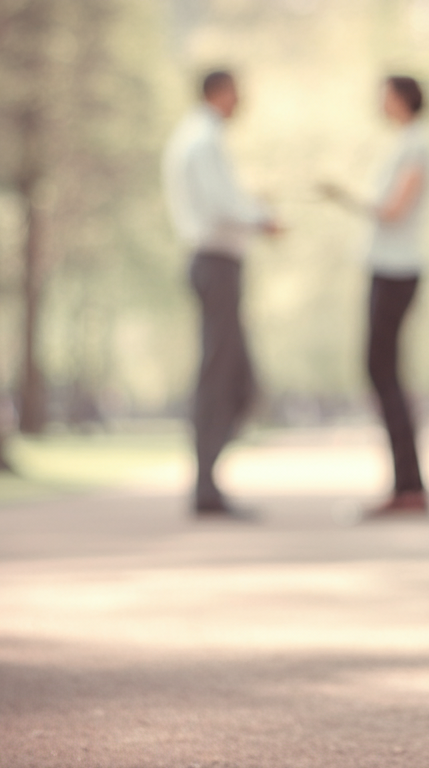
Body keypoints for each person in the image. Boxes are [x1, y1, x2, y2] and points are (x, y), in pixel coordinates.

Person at [162, 69, 278, 517]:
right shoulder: (202, 139)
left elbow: (223, 200)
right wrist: (260, 217)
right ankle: (205, 485)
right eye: (235, 92)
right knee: (222, 377)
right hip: (215, 263)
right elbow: (220, 205)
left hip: (218, 263)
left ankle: (208, 480)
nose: (240, 101)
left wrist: (254, 212)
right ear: (218, 92)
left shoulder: (200, 138)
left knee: (238, 380)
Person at [321, 75, 429, 518]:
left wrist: (345, 197)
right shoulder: (408, 141)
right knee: (382, 372)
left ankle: (408, 487)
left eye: (384, 94)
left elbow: (393, 209)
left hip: (396, 270)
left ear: (402, 98)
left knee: (382, 372)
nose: (379, 102)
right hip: (389, 269)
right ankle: (406, 485)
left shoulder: (417, 142)